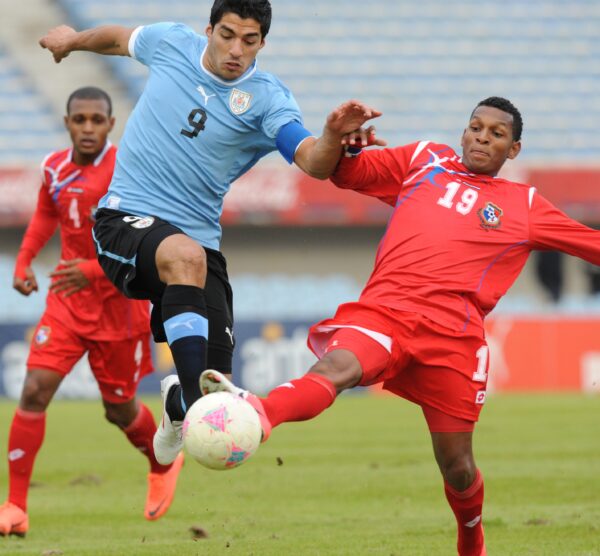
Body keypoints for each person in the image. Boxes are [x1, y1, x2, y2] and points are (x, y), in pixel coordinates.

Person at [200, 96, 600, 556]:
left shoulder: (524, 204)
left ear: (513, 150)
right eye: (475, 127)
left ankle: (472, 540)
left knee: (457, 466)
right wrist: (347, 147)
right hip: (385, 313)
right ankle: (259, 414)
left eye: (496, 134)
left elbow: (591, 244)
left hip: (453, 340)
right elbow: (347, 174)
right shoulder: (424, 159)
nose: (481, 138)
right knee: (337, 368)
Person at [38, 0, 383, 467]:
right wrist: (72, 40)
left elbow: (310, 160)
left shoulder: (267, 100)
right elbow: (119, 38)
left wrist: (331, 137)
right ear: (208, 30)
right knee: (189, 274)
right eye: (226, 35)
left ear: (263, 42)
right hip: (124, 221)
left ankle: (179, 407)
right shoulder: (172, 43)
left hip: (197, 241)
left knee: (213, 372)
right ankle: (199, 407)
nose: (235, 49)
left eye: (249, 40)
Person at [0, 87, 184, 537]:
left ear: (110, 124)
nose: (87, 128)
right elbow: (47, 213)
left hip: (119, 306)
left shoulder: (127, 171)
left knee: (118, 408)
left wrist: (93, 268)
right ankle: (16, 507)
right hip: (66, 303)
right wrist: (24, 261)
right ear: (67, 123)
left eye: (96, 120)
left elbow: (147, 238)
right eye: (79, 119)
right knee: (33, 391)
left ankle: (162, 462)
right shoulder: (53, 168)